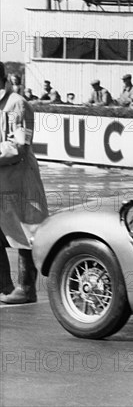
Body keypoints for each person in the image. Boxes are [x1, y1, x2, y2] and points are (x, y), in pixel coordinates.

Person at [0, 61, 48, 304]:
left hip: (19, 181)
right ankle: (5, 288)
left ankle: (26, 289)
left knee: (25, 235)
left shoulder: (17, 104)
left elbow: (19, 147)